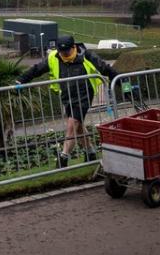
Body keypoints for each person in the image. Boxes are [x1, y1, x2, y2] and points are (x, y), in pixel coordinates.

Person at [17, 34, 117, 168]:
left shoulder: (87, 56)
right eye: (61, 51)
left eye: (67, 51)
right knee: (78, 126)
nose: (64, 54)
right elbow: (36, 69)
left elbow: (106, 69)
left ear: (74, 47)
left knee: (73, 123)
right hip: (67, 95)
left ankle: (63, 158)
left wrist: (122, 81)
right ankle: (90, 152)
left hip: (84, 94)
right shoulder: (53, 57)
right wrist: (21, 80)